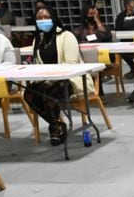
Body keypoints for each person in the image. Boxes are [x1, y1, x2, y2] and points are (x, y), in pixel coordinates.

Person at [25, 7, 94, 145]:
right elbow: (38, 64)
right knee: (29, 94)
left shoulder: (66, 36)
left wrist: (50, 80)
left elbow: (71, 65)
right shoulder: (38, 39)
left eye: (46, 17)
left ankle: (55, 130)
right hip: (47, 80)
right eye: (39, 18)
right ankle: (56, 124)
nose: (42, 20)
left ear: (54, 18)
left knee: (48, 95)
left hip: (71, 80)